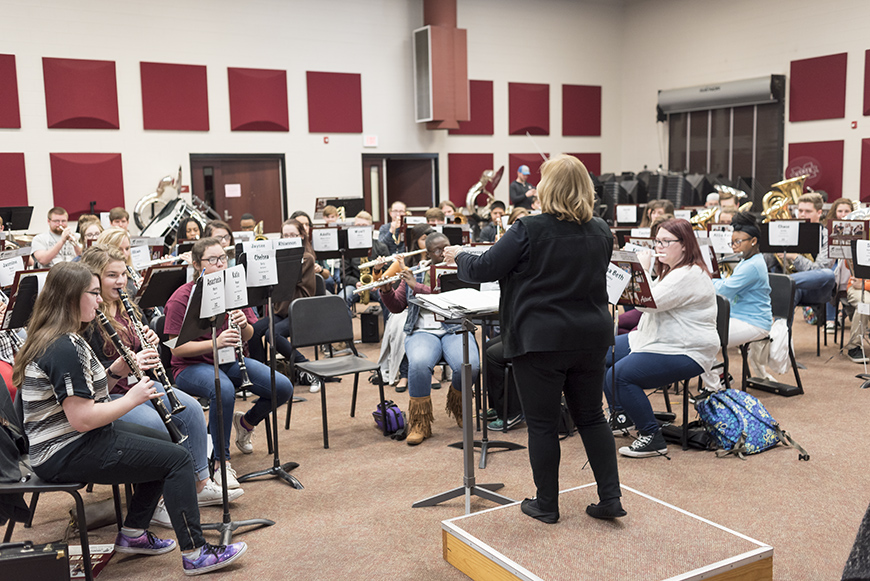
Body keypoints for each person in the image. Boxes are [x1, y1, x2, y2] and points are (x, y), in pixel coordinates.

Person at [13, 262, 246, 575]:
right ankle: (196, 552)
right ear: (71, 298)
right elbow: (82, 418)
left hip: (73, 439)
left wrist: (114, 373)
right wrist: (130, 398)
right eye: (93, 293)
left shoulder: (66, 336)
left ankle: (133, 533)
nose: (99, 301)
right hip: (64, 450)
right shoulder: (62, 346)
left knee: (162, 442)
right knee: (177, 459)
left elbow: (88, 397)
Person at [446, 154, 623, 523]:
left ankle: (547, 504)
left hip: (540, 339)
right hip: (591, 335)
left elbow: (485, 268)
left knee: (542, 424)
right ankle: (610, 499)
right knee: (592, 418)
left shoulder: (527, 228)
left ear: (547, 188)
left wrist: (458, 255)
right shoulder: (602, 230)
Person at [81, 245, 244, 524]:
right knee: (160, 427)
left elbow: (145, 349)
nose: (121, 282)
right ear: (94, 279)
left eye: (123, 274)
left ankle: (200, 485)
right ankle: (155, 501)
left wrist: (151, 343)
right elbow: (93, 376)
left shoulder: (127, 305)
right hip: (113, 396)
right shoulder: (88, 318)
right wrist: (122, 365)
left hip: (142, 386)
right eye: (111, 276)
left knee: (191, 409)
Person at [164, 237, 293, 487]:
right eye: (212, 260)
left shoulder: (232, 288)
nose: (221, 264)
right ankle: (219, 463)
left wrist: (243, 325)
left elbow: (250, 335)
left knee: (283, 387)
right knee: (222, 390)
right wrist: (216, 343)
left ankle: (245, 423)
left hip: (229, 361)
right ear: (195, 264)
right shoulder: (181, 298)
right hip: (189, 367)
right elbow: (176, 348)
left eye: (223, 258)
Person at [603, 218, 719, 458]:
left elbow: (647, 303)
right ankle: (622, 416)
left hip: (687, 349)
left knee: (621, 375)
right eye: (657, 241)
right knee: (601, 352)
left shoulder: (689, 275)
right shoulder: (672, 270)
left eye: (666, 242)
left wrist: (640, 268)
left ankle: (651, 436)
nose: (659, 247)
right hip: (658, 339)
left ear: (685, 245)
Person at [381, 232, 474, 446]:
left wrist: (417, 287)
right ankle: (420, 422)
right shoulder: (416, 272)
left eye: (447, 247)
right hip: (422, 331)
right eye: (438, 250)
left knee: (470, 365)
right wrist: (386, 290)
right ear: (429, 253)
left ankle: (458, 406)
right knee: (419, 364)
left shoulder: (462, 271)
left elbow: (448, 299)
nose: (444, 253)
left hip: (454, 328)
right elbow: (397, 306)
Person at [247, 219, 322, 393]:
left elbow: (287, 279)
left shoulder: (306, 258)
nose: (288, 238)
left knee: (272, 334)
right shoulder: (277, 256)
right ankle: (261, 377)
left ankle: (308, 369)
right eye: (285, 235)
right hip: (282, 310)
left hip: (300, 311)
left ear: (301, 236)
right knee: (253, 331)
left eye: (293, 235)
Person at [701, 212, 772, 390]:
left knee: (702, 342)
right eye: (732, 242)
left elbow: (724, 290)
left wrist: (705, 277)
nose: (734, 246)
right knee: (699, 337)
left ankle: (715, 388)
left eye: (738, 242)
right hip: (739, 317)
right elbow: (726, 285)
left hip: (754, 322)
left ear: (753, 241)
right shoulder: (747, 260)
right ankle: (720, 374)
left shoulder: (753, 265)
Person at [764, 192, 835, 321]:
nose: (802, 214)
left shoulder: (827, 236)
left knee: (828, 274)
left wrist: (795, 257)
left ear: (819, 213)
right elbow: (767, 262)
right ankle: (783, 338)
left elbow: (818, 269)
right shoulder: (786, 232)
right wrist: (771, 243)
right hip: (791, 289)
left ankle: (784, 282)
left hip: (815, 290)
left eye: (808, 211)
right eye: (800, 210)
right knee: (789, 291)